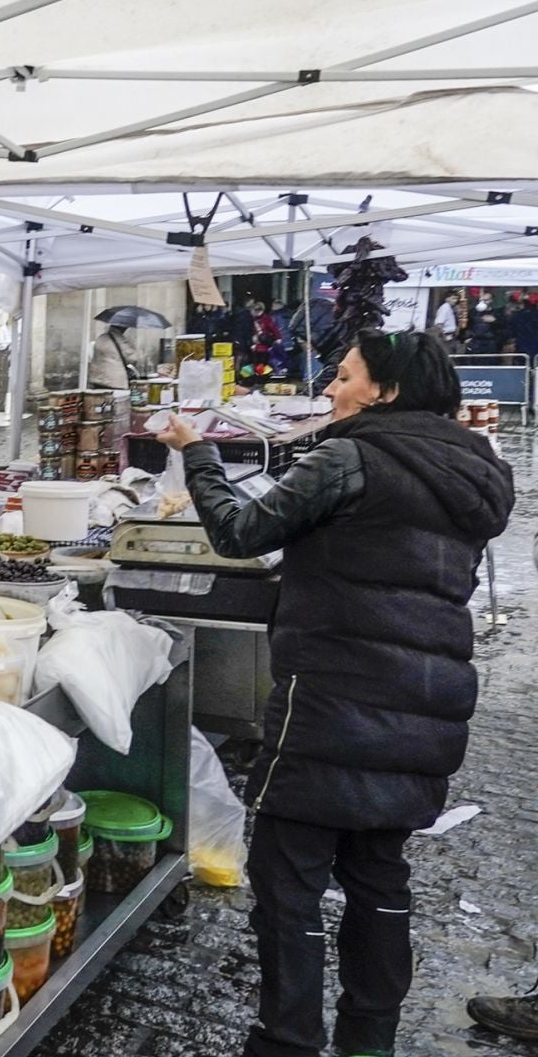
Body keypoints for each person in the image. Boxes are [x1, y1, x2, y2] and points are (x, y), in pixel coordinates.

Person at [157, 329, 512, 1057]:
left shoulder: (352, 458)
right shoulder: (476, 468)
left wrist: (196, 451)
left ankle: (286, 1041)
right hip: (426, 704)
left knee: (288, 880)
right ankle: (367, 1043)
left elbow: (238, 529)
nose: (329, 388)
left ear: (384, 391)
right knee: (379, 876)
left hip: (331, 702)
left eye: (344, 376)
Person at [87, 322, 138, 390]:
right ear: (122, 328)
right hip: (114, 381)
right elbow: (133, 359)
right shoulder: (121, 340)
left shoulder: (101, 338)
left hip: (97, 379)